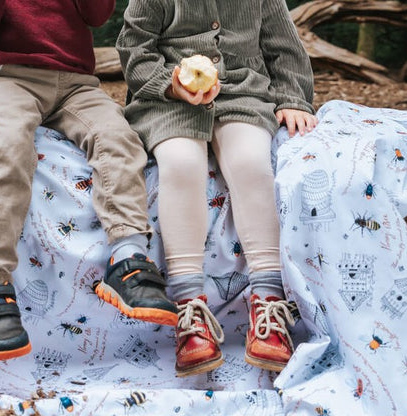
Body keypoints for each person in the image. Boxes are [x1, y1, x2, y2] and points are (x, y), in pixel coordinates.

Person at [0, 0, 179, 362]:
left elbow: (97, 15)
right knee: (5, 147)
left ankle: (128, 258)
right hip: (5, 76)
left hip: (75, 84)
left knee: (118, 138)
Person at [116, 0, 319, 377]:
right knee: (180, 164)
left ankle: (269, 301)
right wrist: (170, 84)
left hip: (243, 95)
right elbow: (134, 50)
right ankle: (190, 309)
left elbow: (284, 47)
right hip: (166, 103)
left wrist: (293, 98)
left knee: (251, 163)